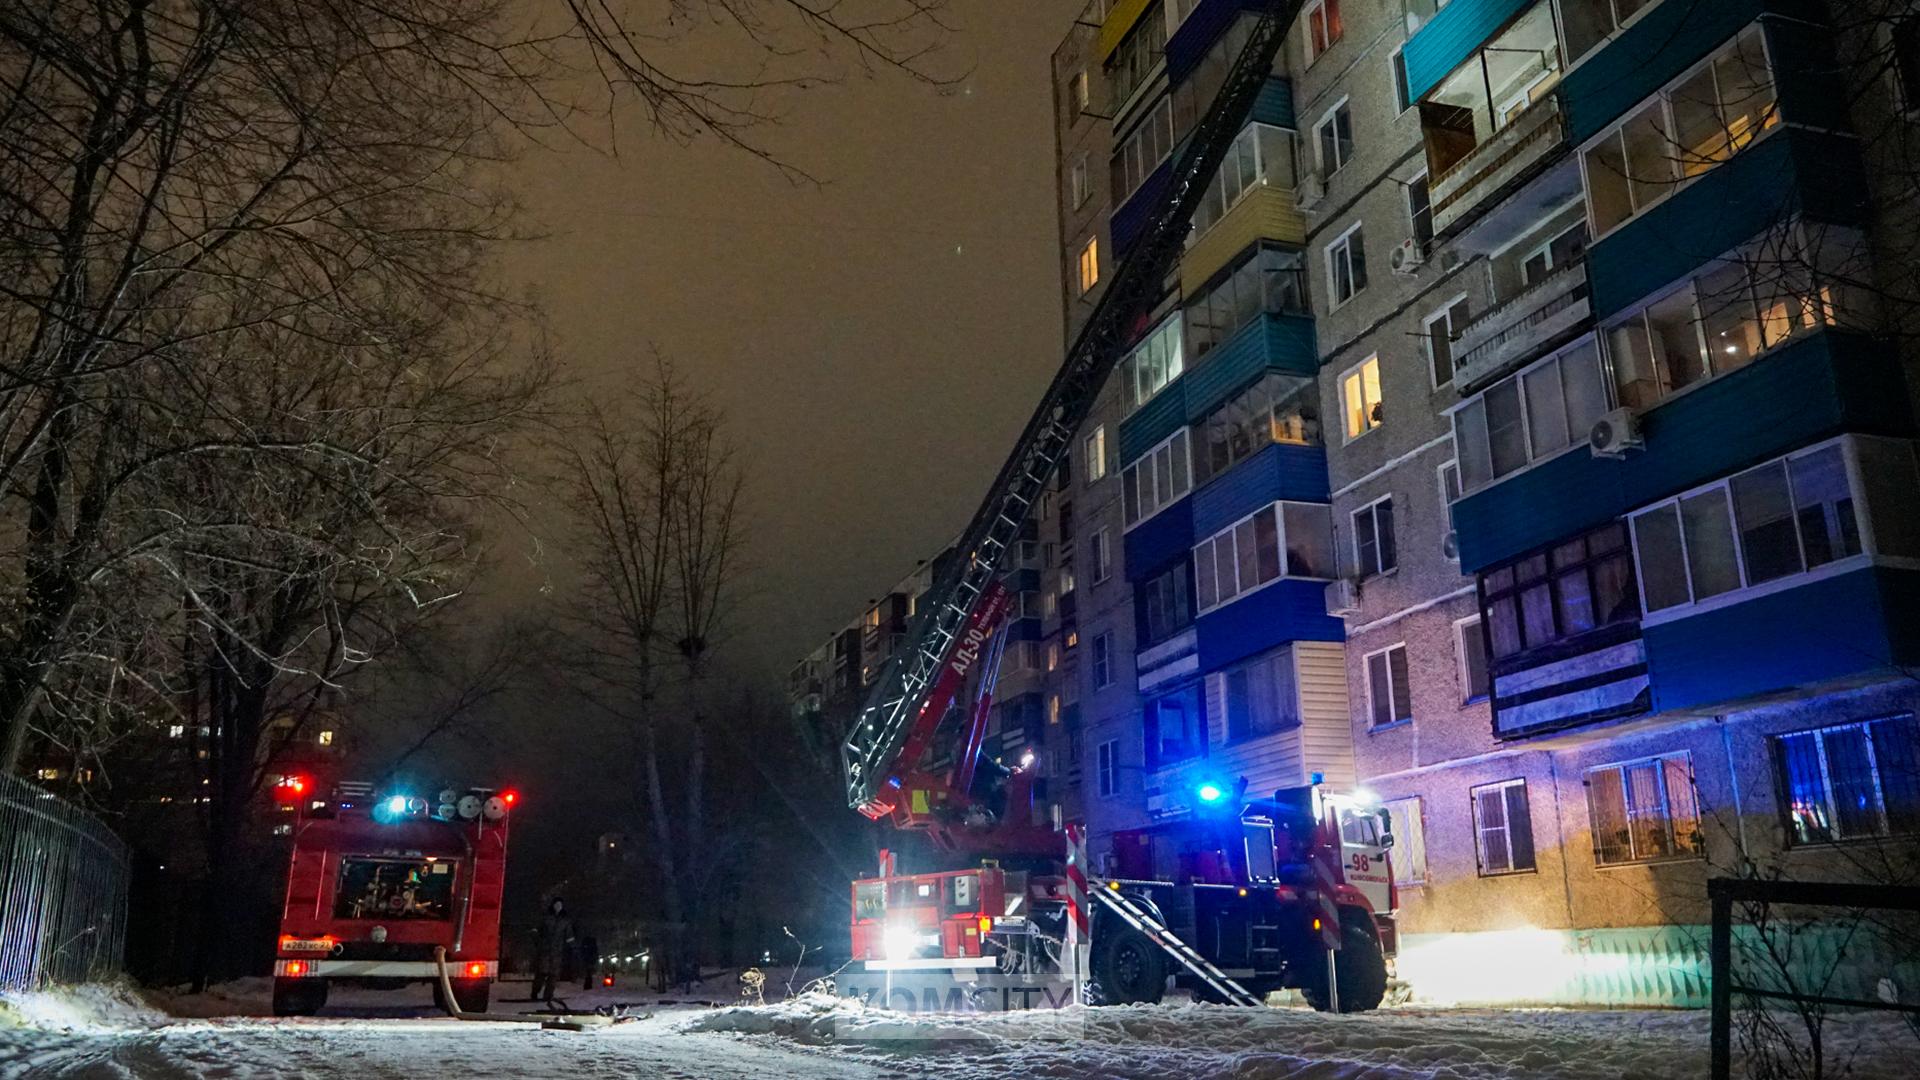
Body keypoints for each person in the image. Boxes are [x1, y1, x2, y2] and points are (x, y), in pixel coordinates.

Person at [531, 897, 575, 1004]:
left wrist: (572, 948)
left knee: (553, 975)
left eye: (560, 905)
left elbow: (569, 936)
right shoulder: (546, 917)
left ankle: (548, 995)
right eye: (556, 904)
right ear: (553, 905)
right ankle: (535, 992)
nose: (558, 907)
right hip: (545, 950)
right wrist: (538, 942)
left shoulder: (565, 920)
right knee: (541, 973)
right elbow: (535, 930)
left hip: (557, 952)